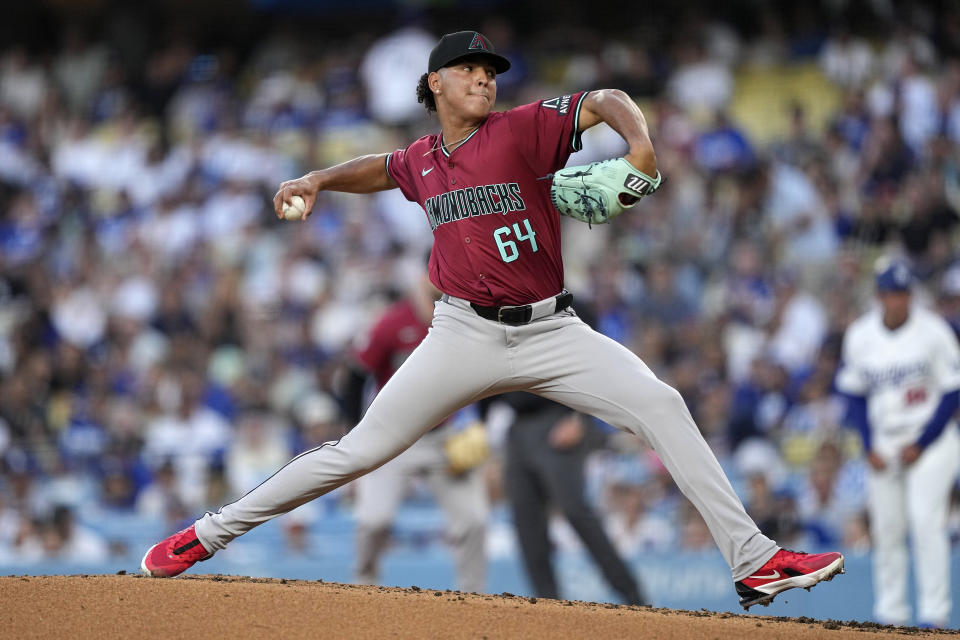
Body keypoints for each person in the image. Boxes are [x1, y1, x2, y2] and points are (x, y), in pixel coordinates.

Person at [141, 29, 843, 609]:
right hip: (462, 334)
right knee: (356, 452)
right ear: (434, 86)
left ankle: (754, 561)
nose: (484, 79)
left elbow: (605, 97)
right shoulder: (423, 158)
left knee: (661, 403)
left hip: (551, 331)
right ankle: (205, 535)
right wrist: (319, 179)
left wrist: (640, 145)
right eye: (468, 69)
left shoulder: (521, 132)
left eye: (489, 70)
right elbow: (382, 168)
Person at [341, 273, 488, 593]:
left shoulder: (467, 316)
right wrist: (355, 433)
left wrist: (480, 423)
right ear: (425, 274)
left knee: (473, 520)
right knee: (374, 521)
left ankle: (475, 598)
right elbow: (354, 378)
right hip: (393, 437)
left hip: (443, 437)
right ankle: (363, 589)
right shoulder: (393, 322)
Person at [837, 257, 960, 628]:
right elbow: (853, 395)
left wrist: (922, 443)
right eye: (892, 293)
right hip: (885, 442)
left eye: (904, 293)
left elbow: (953, 392)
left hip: (931, 441)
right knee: (888, 528)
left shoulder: (934, 331)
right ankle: (891, 616)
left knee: (926, 522)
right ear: (880, 295)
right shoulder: (860, 335)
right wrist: (867, 444)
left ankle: (934, 616)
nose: (898, 300)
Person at [500, 391, 646, 605]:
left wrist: (579, 416)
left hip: (559, 417)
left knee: (575, 511)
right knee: (526, 522)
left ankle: (634, 597)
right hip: (517, 425)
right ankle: (548, 606)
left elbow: (591, 364)